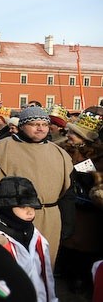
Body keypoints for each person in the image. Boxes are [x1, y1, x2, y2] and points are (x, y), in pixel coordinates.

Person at [0, 106, 74, 266]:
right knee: (13, 269)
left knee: (44, 268)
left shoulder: (60, 154)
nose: (40, 128)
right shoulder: (1, 149)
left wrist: (68, 223)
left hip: (50, 220)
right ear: (22, 126)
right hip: (10, 220)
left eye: (44, 124)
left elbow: (68, 194)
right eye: (35, 124)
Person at [0, 176, 58, 301]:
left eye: (32, 206)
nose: (30, 212)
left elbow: (47, 276)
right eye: (22, 207)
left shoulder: (36, 237)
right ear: (6, 207)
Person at [57, 109, 103, 294]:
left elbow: (91, 175)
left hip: (89, 214)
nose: (68, 136)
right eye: (68, 132)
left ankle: (83, 283)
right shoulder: (63, 149)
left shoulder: (98, 157)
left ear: (85, 138)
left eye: (73, 134)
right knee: (68, 248)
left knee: (84, 251)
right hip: (69, 209)